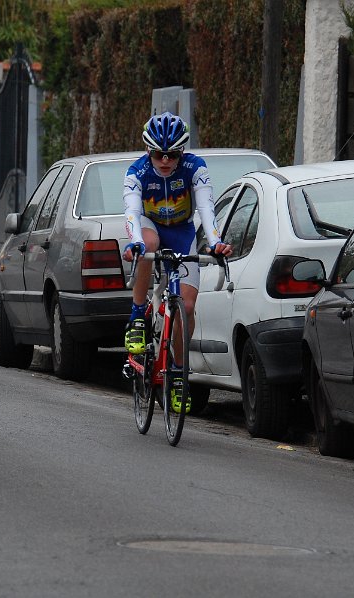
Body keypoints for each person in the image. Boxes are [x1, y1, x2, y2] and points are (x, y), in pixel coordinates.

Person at [122, 112, 233, 414]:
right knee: (148, 245)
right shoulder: (137, 172)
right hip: (150, 227)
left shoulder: (195, 168)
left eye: (172, 154)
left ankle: (179, 372)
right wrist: (135, 242)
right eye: (159, 154)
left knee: (187, 306)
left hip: (182, 233)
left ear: (182, 151)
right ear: (149, 151)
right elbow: (132, 212)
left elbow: (207, 209)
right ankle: (137, 315)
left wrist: (215, 242)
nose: (165, 160)